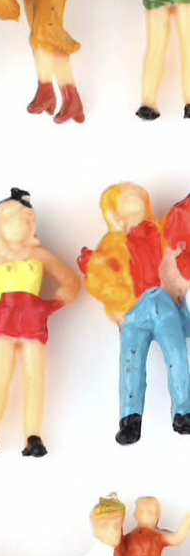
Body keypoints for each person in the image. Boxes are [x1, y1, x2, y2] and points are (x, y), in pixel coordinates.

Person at [0, 189, 79, 457]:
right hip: (5, 323)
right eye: (10, 222)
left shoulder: (39, 256)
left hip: (33, 324)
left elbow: (71, 281)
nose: (17, 227)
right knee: (0, 378)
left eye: (23, 221)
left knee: (34, 379)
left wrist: (52, 305)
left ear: (31, 225)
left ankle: (33, 435)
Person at [79, 183, 190, 445]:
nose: (135, 200)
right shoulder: (112, 243)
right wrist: (94, 267)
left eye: (137, 196)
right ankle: (130, 419)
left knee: (177, 353)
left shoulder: (160, 230)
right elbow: (102, 278)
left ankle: (183, 410)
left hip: (162, 303)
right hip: (133, 311)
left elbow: (180, 229)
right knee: (131, 361)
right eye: (127, 198)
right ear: (116, 213)